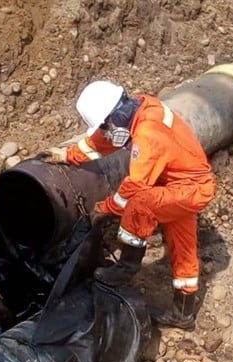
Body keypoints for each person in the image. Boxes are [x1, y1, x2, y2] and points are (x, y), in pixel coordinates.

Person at [44, 80, 215, 330]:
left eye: (105, 125)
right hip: (183, 185)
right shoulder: (141, 110)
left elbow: (133, 189)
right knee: (182, 247)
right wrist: (68, 155)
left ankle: (127, 267)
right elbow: (106, 141)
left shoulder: (148, 136)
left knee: (140, 203)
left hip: (188, 190)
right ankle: (184, 314)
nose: (105, 131)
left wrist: (104, 209)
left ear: (115, 116)